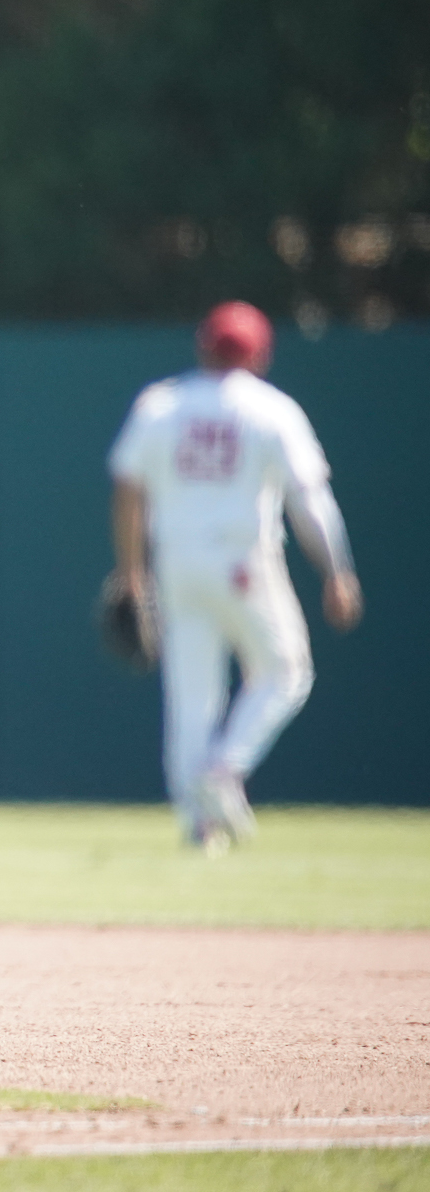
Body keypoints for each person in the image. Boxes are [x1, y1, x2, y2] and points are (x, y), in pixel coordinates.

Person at [107, 301, 363, 851]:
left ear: (203, 346)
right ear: (260, 355)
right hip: (243, 557)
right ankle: (224, 768)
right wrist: (336, 569)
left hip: (177, 561)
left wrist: (131, 572)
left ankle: (199, 822)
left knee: (191, 696)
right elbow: (310, 499)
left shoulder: (162, 404)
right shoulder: (271, 410)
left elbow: (127, 489)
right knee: (286, 671)